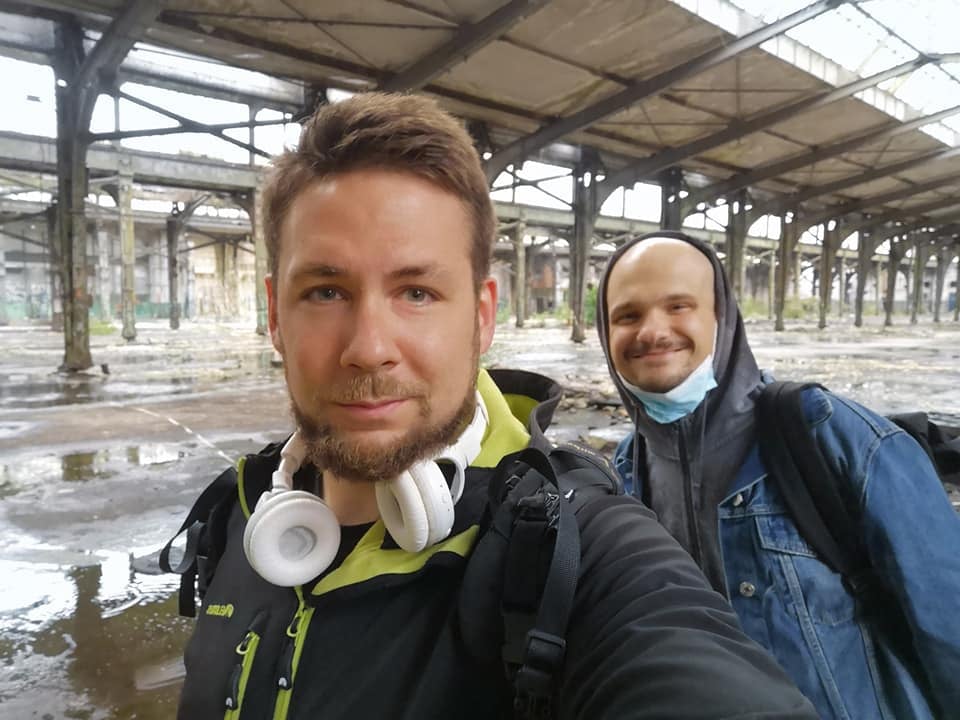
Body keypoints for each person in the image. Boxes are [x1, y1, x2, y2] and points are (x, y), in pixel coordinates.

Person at [173, 93, 818, 720]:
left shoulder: (579, 554)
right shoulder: (240, 515)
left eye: (417, 292)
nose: (368, 349)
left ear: (482, 318)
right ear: (275, 315)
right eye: (325, 291)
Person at [597, 230, 960, 720]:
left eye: (678, 306)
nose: (651, 331)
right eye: (627, 316)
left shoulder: (832, 437)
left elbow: (948, 621)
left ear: (722, 318)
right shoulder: (625, 472)